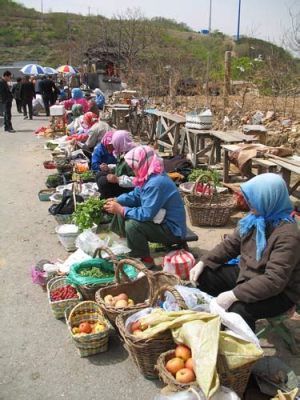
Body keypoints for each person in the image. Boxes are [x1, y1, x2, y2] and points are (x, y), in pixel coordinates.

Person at [189, 173, 300, 332]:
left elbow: (274, 280)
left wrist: (234, 295)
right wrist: (203, 262)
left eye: (254, 199)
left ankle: (243, 349)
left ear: (269, 199)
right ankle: (214, 322)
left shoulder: (288, 235)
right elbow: (230, 245)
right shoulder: (255, 219)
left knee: (239, 310)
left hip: (281, 292)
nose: (249, 203)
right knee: (205, 276)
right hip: (248, 274)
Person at [104, 145, 187, 267]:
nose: (133, 170)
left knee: (132, 225)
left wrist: (121, 210)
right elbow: (136, 195)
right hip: (161, 220)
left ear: (143, 163)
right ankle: (127, 244)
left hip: (173, 230)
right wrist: (118, 200)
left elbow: (146, 214)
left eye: (134, 167)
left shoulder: (156, 183)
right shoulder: (148, 176)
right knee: (123, 207)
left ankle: (145, 260)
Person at [96, 130, 136, 199]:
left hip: (129, 188)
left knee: (103, 181)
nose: (114, 145)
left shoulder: (134, 156)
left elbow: (137, 180)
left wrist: (118, 179)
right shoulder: (123, 152)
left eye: (115, 143)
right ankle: (105, 197)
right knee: (99, 174)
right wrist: (109, 168)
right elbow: (120, 166)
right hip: (122, 182)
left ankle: (109, 201)